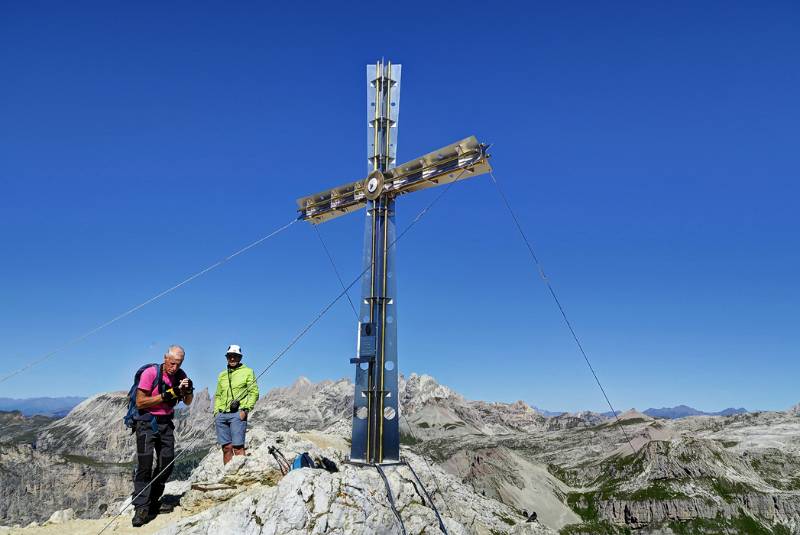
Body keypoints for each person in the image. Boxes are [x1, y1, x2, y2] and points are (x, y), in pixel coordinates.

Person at [131, 345, 193, 527]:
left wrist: (187, 390)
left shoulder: (180, 375)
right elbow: (140, 402)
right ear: (165, 358)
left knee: (167, 462)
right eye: (172, 363)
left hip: (166, 423)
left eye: (179, 363)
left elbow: (188, 402)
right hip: (146, 423)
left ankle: (153, 500)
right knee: (145, 464)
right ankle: (141, 507)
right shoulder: (150, 373)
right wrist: (167, 395)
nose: (174, 367)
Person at [214, 344, 258, 464]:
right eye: (229, 356)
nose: (232, 359)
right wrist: (216, 413)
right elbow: (218, 395)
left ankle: (241, 479)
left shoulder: (248, 372)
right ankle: (227, 477)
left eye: (235, 356)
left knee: (238, 447)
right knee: (226, 448)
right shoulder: (222, 375)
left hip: (237, 415)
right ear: (227, 357)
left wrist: (245, 410)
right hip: (221, 415)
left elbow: (254, 393)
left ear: (240, 358)